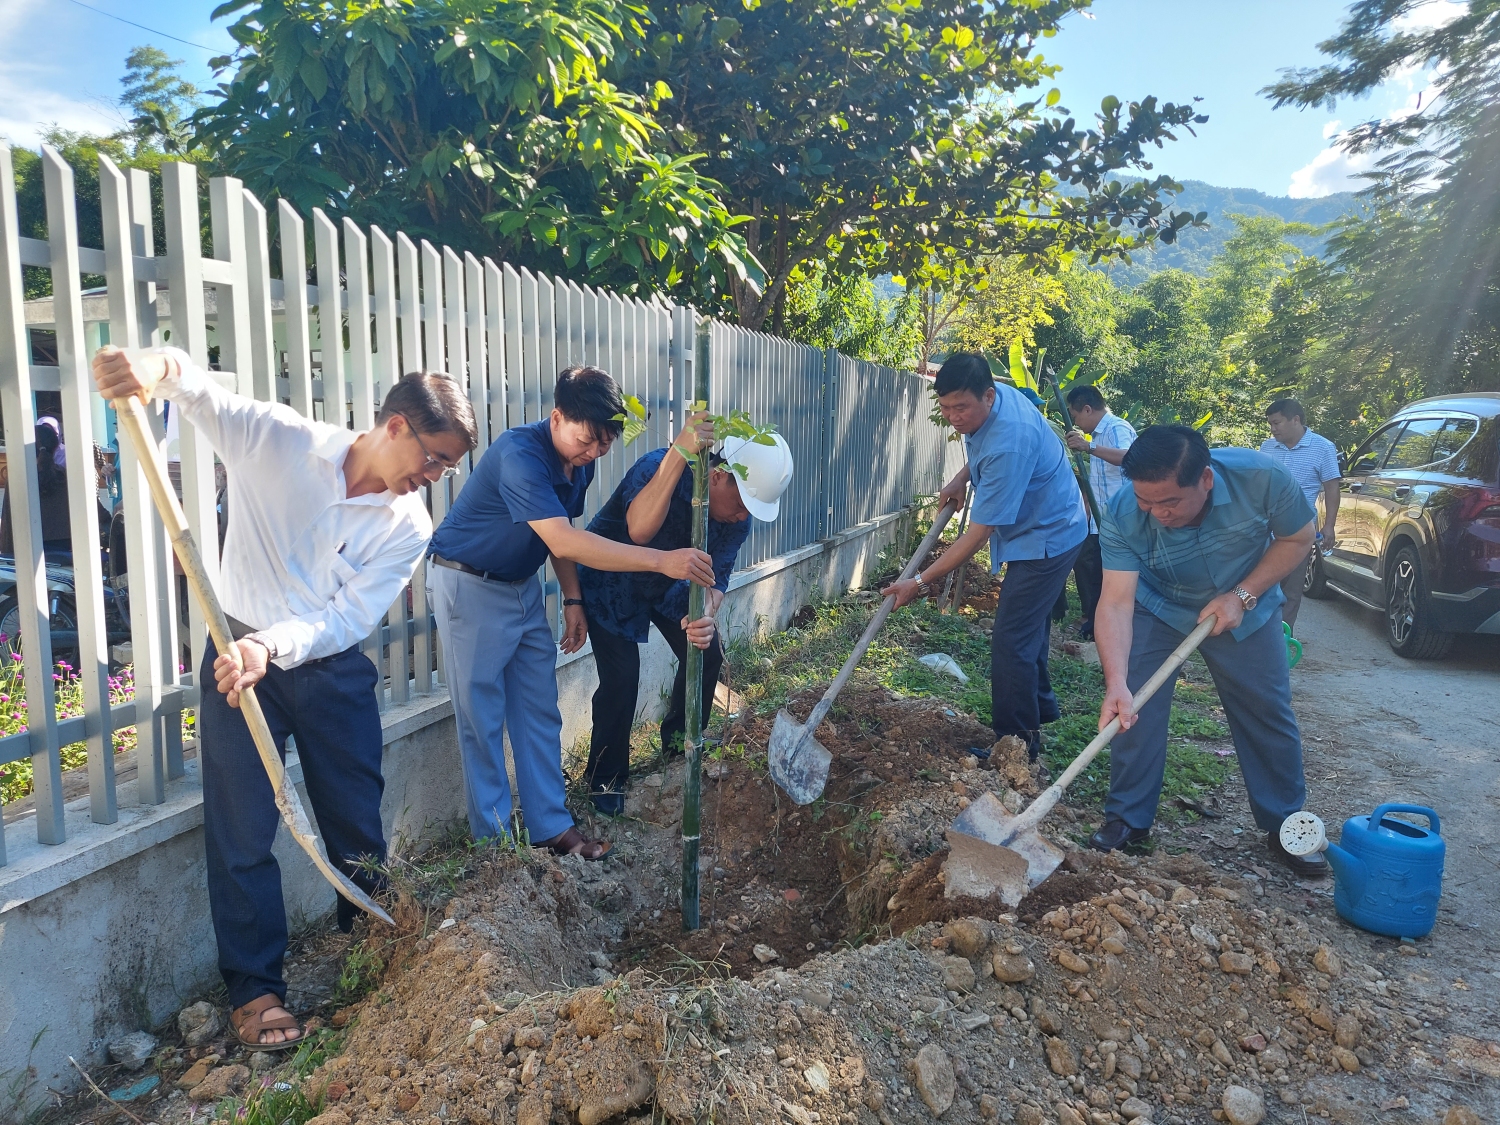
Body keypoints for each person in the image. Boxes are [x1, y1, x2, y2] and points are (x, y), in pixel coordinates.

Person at [92, 344, 478, 1050]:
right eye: (433, 459)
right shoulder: (277, 439)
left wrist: (270, 646)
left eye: (444, 468)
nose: (432, 478)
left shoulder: (409, 527)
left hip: (327, 668)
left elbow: (344, 619)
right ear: (395, 426)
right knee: (241, 830)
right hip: (232, 657)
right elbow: (199, 389)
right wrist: (149, 369)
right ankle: (256, 989)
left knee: (356, 821)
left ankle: (371, 951)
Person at [427, 366, 716, 859]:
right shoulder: (521, 455)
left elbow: (557, 532)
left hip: (519, 586)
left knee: (539, 709)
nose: (594, 453)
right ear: (558, 417)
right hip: (467, 585)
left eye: (604, 445)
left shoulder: (575, 462)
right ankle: (497, 849)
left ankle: (551, 828)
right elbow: (565, 539)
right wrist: (662, 561)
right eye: (588, 440)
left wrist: (572, 597)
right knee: (482, 718)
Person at [1089, 424, 1325, 876]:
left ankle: (1286, 826)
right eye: (1146, 501)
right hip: (1158, 607)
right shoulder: (1122, 512)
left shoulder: (1260, 477)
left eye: (1170, 502)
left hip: (1245, 606)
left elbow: (1298, 537)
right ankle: (1127, 819)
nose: (1157, 512)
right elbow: (1116, 600)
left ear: (1206, 480)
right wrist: (1116, 681)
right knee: (1133, 705)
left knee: (1267, 710)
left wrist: (1243, 595)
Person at [579, 418, 793, 815]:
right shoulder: (657, 469)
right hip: (613, 579)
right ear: (716, 477)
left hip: (669, 584)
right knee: (622, 678)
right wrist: (680, 448)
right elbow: (640, 531)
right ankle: (605, 779)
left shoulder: (734, 520)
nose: (744, 517)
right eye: (743, 503)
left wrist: (706, 615)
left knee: (707, 654)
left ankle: (679, 742)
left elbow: (717, 578)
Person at [885, 352, 1089, 761]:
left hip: (1049, 537)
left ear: (989, 397)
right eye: (945, 407)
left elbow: (979, 533)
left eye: (961, 407)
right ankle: (1038, 712)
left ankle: (1015, 745)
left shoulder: (1008, 442)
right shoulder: (997, 402)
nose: (954, 417)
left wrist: (921, 582)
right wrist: (962, 477)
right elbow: (980, 453)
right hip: (1043, 523)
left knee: (1012, 640)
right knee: (1028, 633)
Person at [1260, 398, 1341, 633]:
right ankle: (1259, 634)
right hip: (1264, 527)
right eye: (1271, 425)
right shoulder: (1267, 448)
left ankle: (1281, 638)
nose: (1273, 429)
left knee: (1291, 589)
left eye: (1277, 423)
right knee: (1262, 581)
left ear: (1295, 420)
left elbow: (1331, 488)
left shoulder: (1322, 447)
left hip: (1299, 528)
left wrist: (1329, 526)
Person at [1064, 384, 1138, 640]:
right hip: (1100, 517)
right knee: (1088, 563)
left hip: (1120, 517)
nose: (1076, 422)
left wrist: (1088, 447)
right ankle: (1093, 619)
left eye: (1076, 416)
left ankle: (1100, 622)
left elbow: (1129, 456)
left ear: (1087, 409)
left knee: (1102, 567)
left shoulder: (1116, 428)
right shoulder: (1097, 435)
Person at [0, 419, 72, 562]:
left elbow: (9, 521)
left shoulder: (18, 478)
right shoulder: (65, 477)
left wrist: (7, 554)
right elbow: (97, 515)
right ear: (56, 445)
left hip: (26, 549)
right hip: (67, 553)